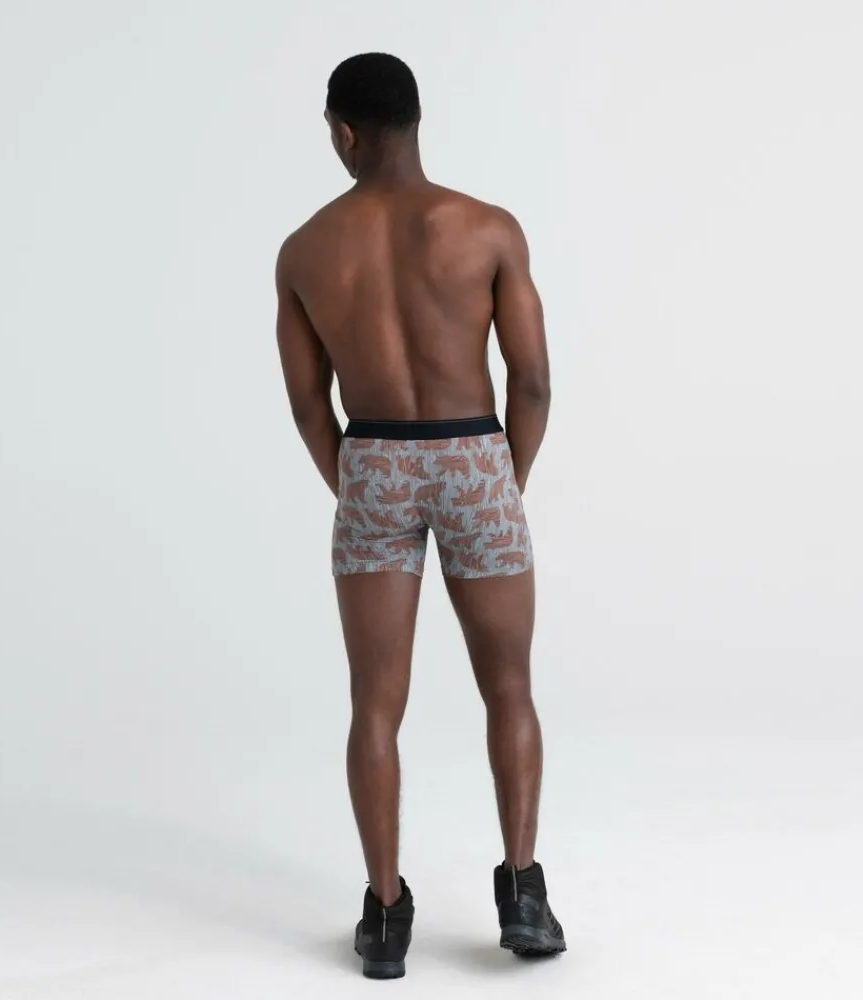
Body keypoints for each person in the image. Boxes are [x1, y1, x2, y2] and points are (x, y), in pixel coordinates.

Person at [275, 52, 565, 980]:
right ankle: (523, 894)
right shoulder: (487, 228)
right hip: (475, 453)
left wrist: (356, 481)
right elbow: (533, 380)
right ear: (417, 121)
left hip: (373, 457)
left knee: (374, 702)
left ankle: (387, 915)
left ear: (344, 132)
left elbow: (309, 402)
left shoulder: (306, 249)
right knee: (509, 687)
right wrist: (502, 480)